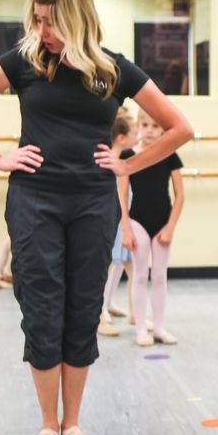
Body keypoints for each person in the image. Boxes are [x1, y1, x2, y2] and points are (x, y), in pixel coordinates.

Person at [0, 0, 192, 435]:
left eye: (50, 21)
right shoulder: (25, 62)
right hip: (34, 200)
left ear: (77, 19)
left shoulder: (114, 69)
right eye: (36, 18)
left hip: (93, 203)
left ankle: (72, 425)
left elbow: (180, 127)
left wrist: (128, 164)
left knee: (81, 309)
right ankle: (47, 425)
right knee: (42, 307)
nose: (41, 28)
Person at [123, 110, 185, 346]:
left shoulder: (170, 156)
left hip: (162, 222)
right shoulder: (129, 155)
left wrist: (170, 227)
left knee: (159, 275)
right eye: (145, 125)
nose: (149, 130)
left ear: (163, 130)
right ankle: (141, 328)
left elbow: (180, 196)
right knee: (140, 274)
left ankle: (158, 327)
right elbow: (120, 195)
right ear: (138, 126)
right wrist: (126, 228)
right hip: (137, 220)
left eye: (155, 126)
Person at [98, 110, 139, 337]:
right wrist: (124, 225)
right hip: (113, 222)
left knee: (127, 266)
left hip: (124, 221)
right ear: (121, 137)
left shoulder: (123, 160)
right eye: (135, 132)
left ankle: (134, 312)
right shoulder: (111, 162)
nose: (139, 136)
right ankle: (101, 313)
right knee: (110, 267)